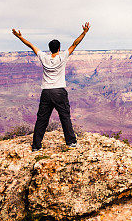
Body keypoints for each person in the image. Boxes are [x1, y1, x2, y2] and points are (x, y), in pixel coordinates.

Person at [11, 22, 90, 151]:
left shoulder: (44, 57)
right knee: (65, 117)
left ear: (50, 49)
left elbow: (31, 45)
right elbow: (75, 44)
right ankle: (71, 143)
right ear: (59, 48)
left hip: (46, 92)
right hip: (59, 92)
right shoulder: (63, 56)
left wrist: (19, 37)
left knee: (42, 119)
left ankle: (36, 146)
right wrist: (84, 32)